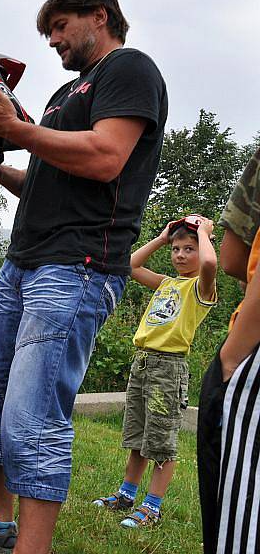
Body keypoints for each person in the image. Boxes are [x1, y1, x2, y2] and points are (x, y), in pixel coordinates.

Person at [0, 0, 168, 554]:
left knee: (31, 415)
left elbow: (106, 157)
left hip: (77, 268)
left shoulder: (130, 69)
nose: (54, 40)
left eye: (60, 26)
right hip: (23, 262)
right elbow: (48, 178)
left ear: (99, 16)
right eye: (49, 32)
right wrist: (0, 168)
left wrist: (19, 130)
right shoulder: (65, 92)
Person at [92, 216, 216, 528]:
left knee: (161, 442)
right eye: (176, 248)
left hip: (168, 368)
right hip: (143, 362)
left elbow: (211, 265)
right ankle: (125, 494)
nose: (180, 254)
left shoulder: (200, 288)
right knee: (138, 437)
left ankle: (152, 507)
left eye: (189, 249)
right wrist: (161, 238)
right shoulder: (166, 283)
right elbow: (131, 266)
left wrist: (204, 233)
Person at [198, 145, 260, 554]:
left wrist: (232, 355)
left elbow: (225, 259)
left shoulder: (194, 286)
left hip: (250, 357)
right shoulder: (167, 285)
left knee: (241, 531)